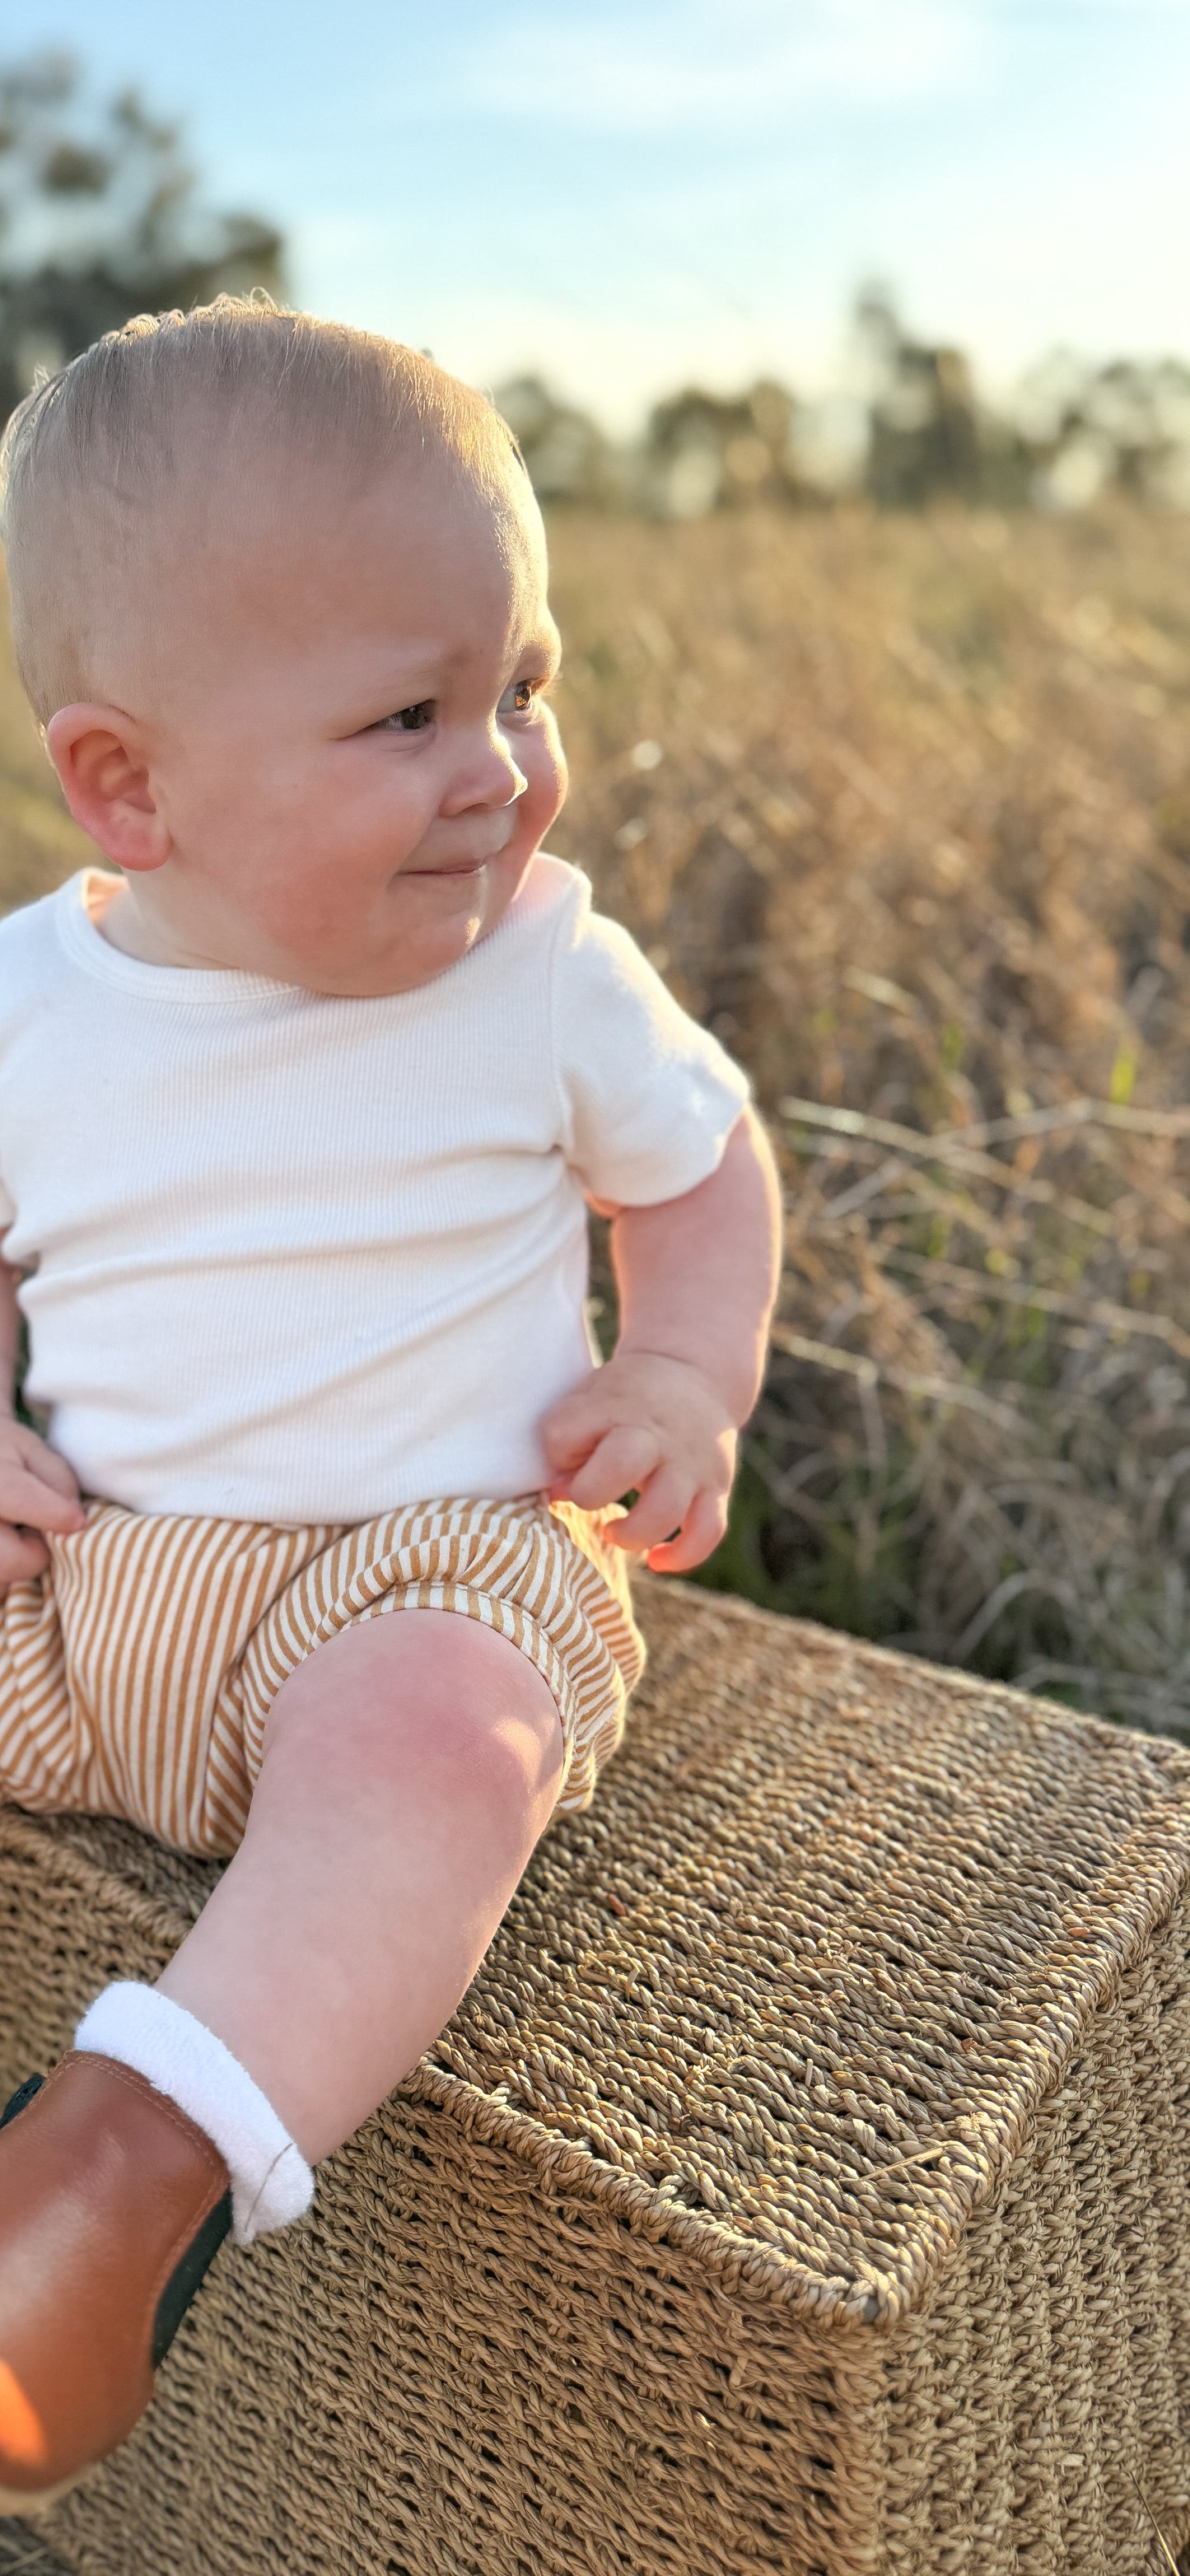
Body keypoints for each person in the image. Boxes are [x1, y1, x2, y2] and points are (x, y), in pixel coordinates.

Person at [0, 298, 781, 2509]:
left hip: (425, 1573)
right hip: (94, 1604)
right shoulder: (32, 1006)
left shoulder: (546, 964)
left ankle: (126, 2163)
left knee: (448, 1733)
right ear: (130, 782)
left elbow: (701, 1166)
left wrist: (679, 1369)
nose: (503, 771)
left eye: (524, 682)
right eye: (410, 714)